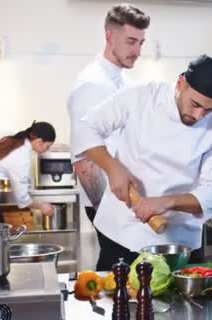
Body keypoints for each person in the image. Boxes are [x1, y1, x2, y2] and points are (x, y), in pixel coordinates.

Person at [73, 54, 212, 270]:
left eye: (209, 109)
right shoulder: (142, 96)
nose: (199, 115)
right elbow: (86, 127)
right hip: (122, 235)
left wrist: (165, 202)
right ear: (181, 83)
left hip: (179, 246)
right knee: (117, 301)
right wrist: (113, 168)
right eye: (195, 104)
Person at [67, 3, 150, 225]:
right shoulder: (91, 84)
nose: (137, 51)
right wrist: (104, 213)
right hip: (108, 205)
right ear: (110, 37)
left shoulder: (123, 81)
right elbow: (83, 158)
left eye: (141, 43)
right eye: (131, 42)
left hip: (125, 201)